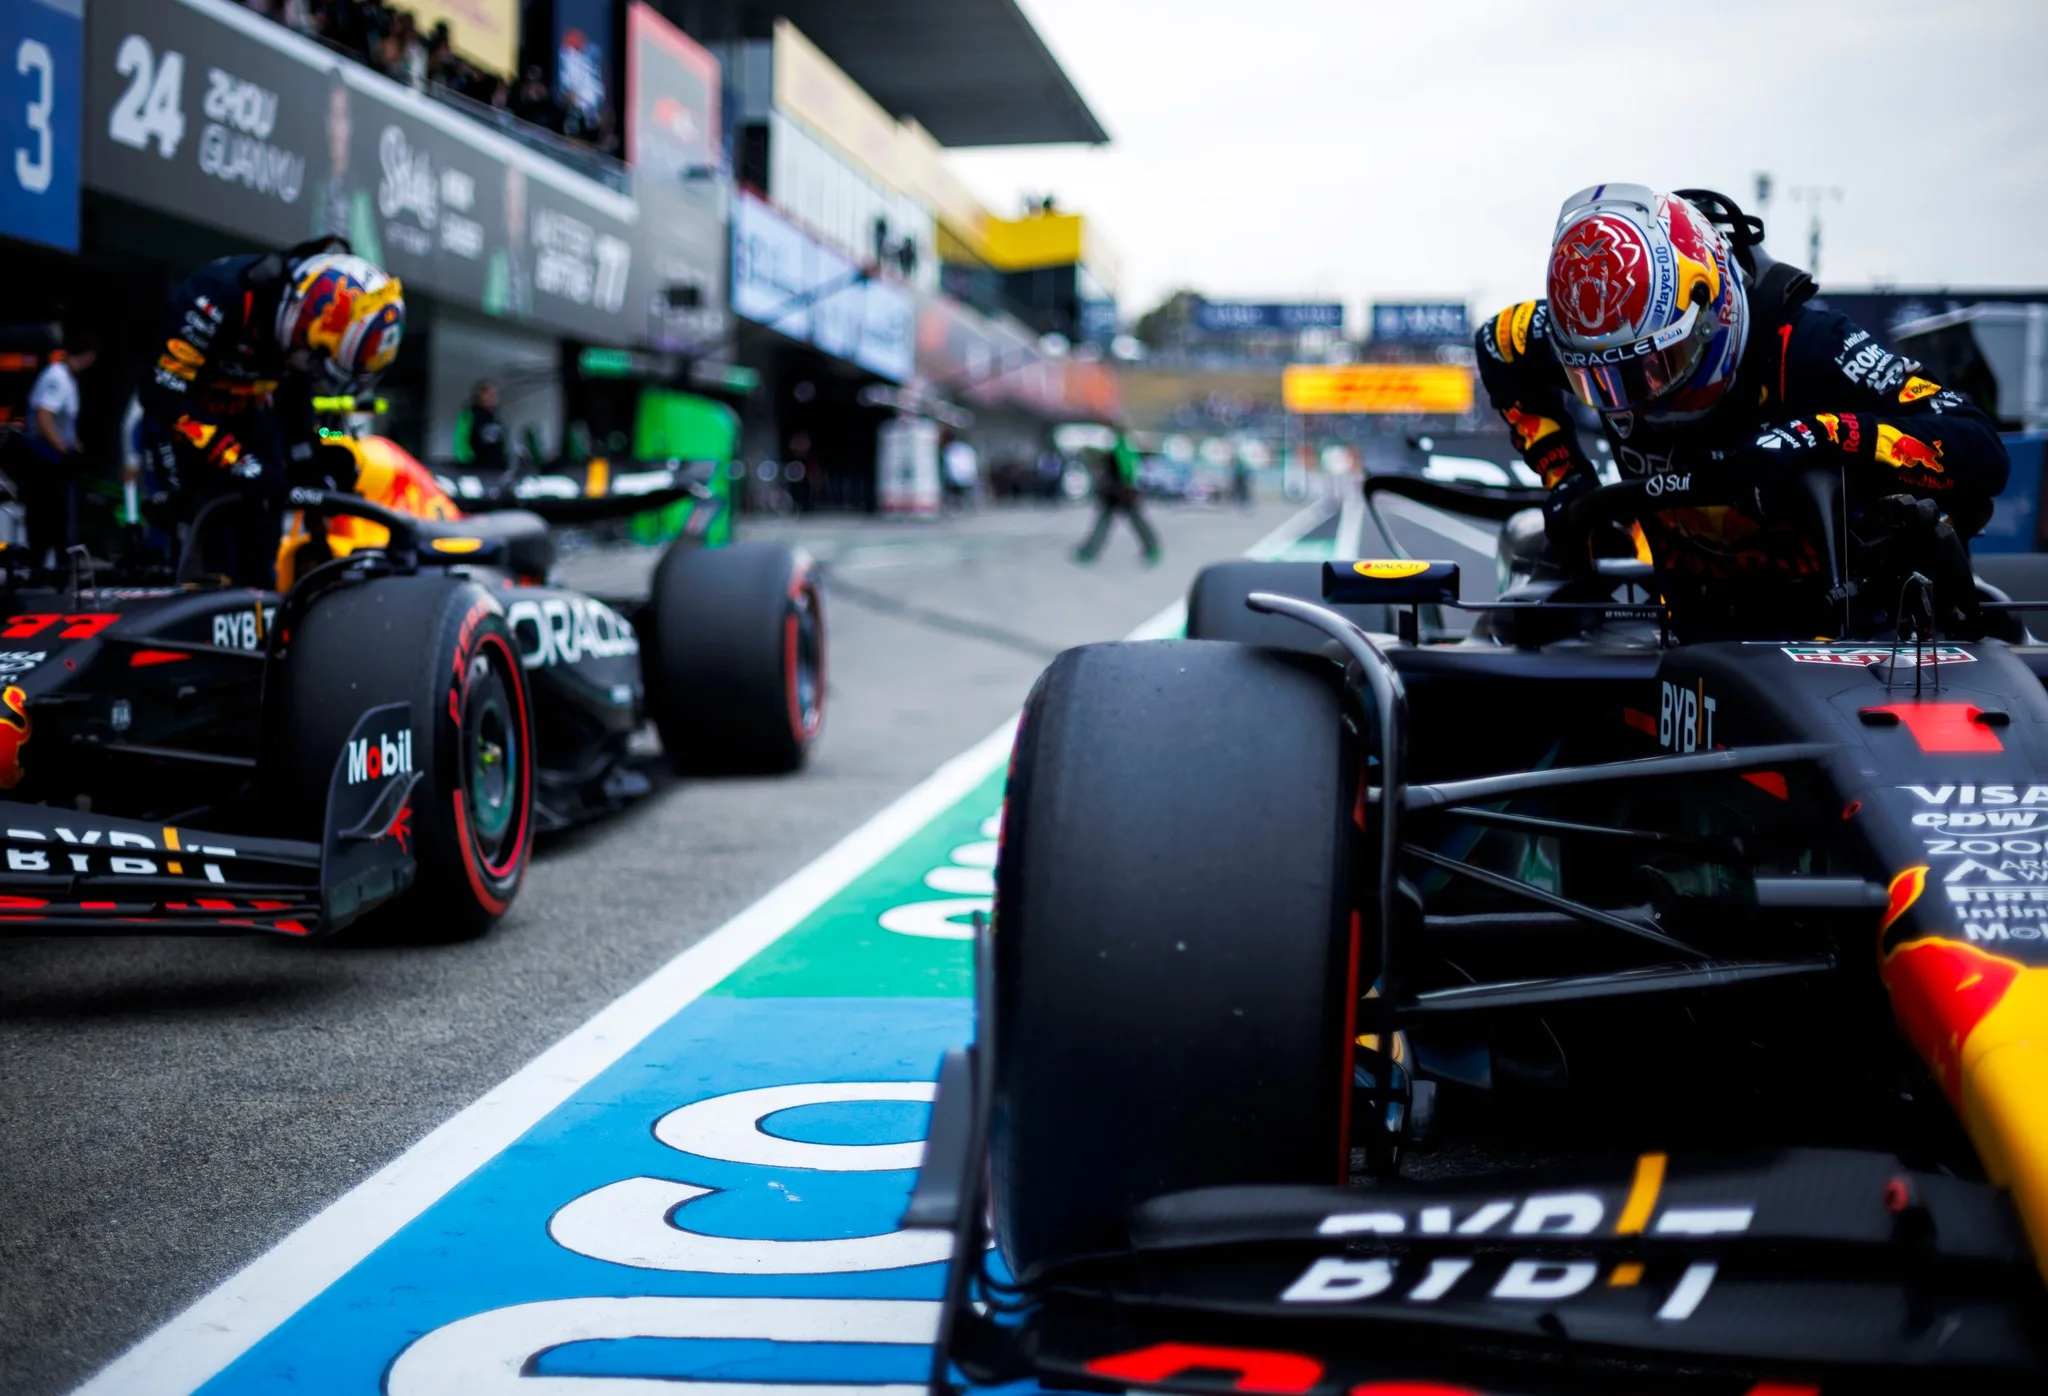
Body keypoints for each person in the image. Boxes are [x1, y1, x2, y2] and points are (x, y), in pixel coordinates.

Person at [1476, 184, 2007, 638]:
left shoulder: (1811, 347)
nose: (1638, 396)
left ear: (1714, 310)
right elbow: (1496, 346)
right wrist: (1567, 479)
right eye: (1605, 380)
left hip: (1857, 646)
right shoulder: (1601, 326)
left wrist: (1819, 435)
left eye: (1655, 367)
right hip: (1695, 643)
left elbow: (1979, 448)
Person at [137, 238, 404, 585]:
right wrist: (241, 463)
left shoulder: (303, 340)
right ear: (306, 319)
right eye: (319, 361)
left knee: (259, 557)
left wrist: (330, 444)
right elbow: (162, 393)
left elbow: (307, 423)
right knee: (202, 551)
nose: (317, 371)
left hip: (253, 416)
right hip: (185, 421)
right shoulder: (221, 294)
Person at [21, 334, 97, 566]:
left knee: (58, 516)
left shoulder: (68, 380)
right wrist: (63, 448)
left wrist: (73, 443)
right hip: (46, 458)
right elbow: (44, 417)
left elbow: (64, 421)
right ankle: (45, 567)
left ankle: (60, 567)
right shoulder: (58, 378)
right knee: (49, 516)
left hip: (54, 456)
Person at [1074, 429, 1160, 564]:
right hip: (1123, 492)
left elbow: (1126, 470)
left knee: (1106, 523)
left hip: (1118, 492)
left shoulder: (1118, 449)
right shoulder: (1126, 449)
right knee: (1134, 521)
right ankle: (1152, 548)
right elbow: (1132, 470)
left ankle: (1089, 551)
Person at [454, 380, 508, 474]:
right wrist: (465, 461)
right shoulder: (469, 414)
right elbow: (461, 439)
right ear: (480, 395)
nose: (492, 397)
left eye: (494, 394)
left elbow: (501, 440)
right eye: (488, 394)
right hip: (476, 466)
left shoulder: (496, 416)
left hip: (496, 466)